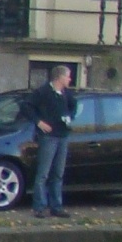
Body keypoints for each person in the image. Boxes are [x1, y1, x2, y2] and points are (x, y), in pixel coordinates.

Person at [22, 65, 76, 218]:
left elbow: (74, 105)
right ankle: (39, 207)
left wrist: (69, 117)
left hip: (63, 135)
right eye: (68, 76)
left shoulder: (66, 94)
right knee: (43, 173)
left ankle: (56, 206)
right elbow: (26, 106)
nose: (70, 79)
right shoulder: (43, 92)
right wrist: (39, 122)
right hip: (49, 136)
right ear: (60, 77)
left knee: (58, 173)